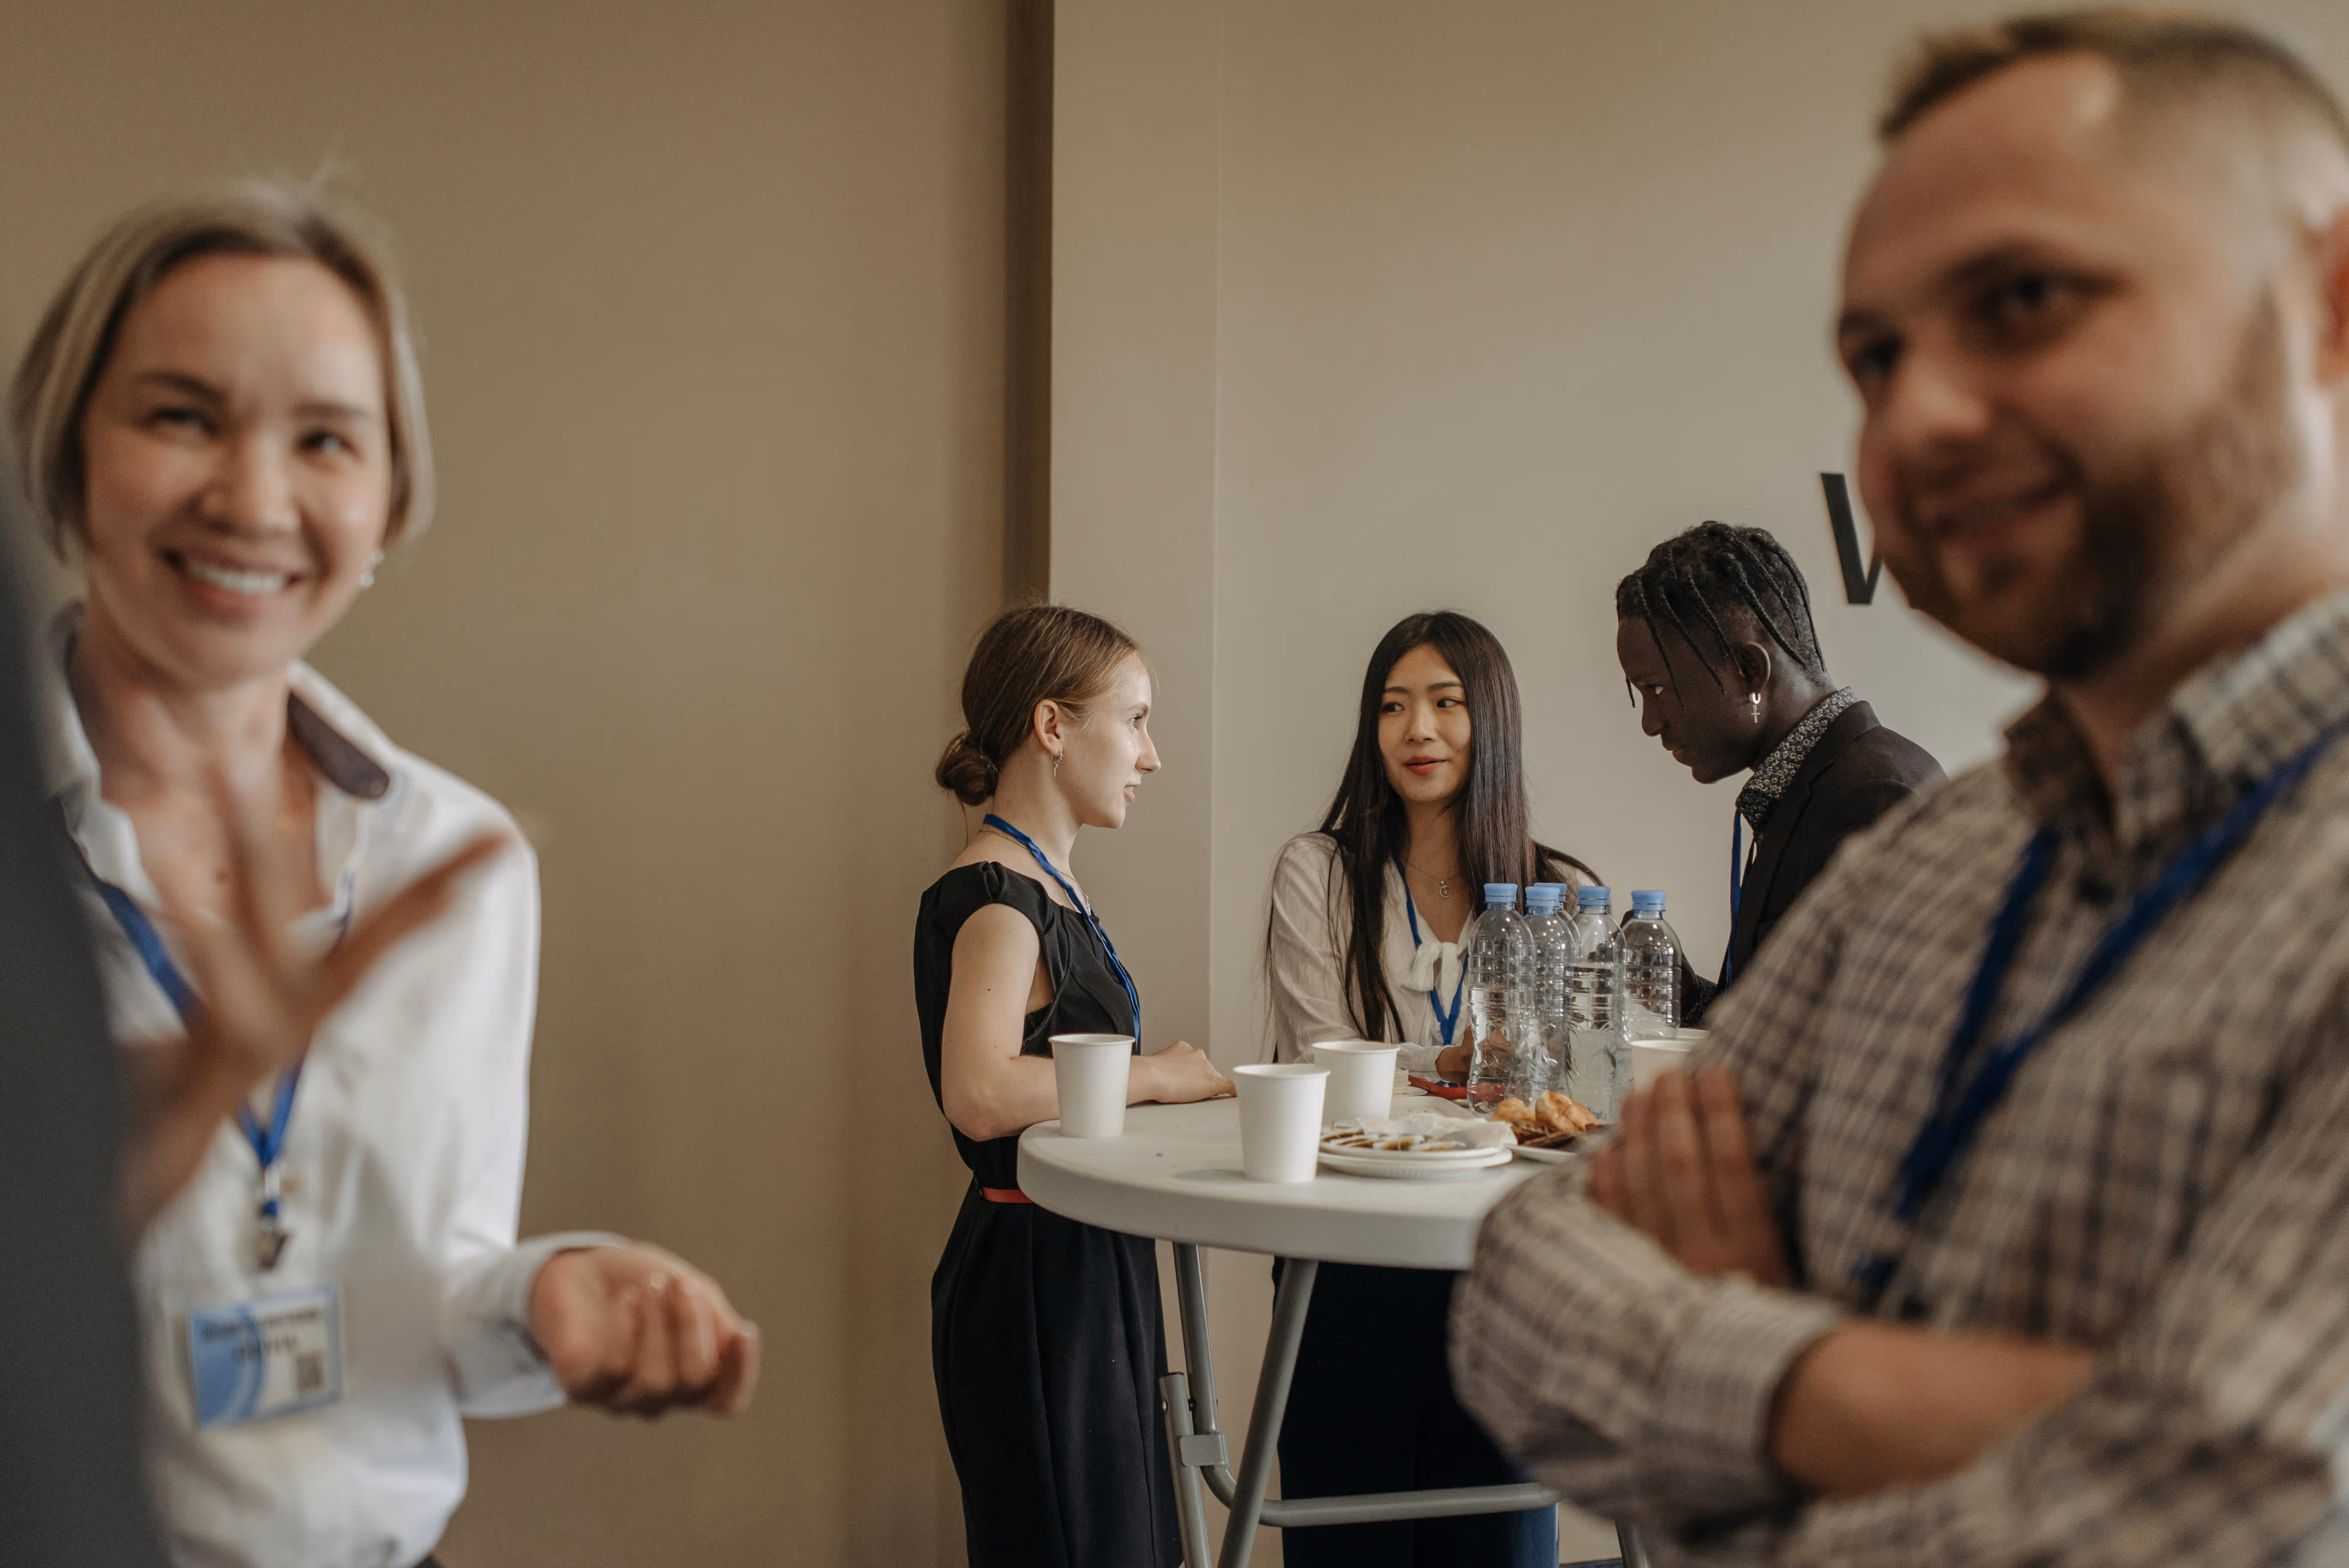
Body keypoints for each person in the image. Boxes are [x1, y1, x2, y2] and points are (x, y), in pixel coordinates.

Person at [1452, 9, 2349, 1564]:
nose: (1913, 415)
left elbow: (2234, 1500)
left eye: (2021, 299)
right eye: (1874, 357)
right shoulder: (1935, 861)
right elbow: (1520, 1286)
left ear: (2327, 308)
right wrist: (1873, 1387)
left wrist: (1722, 1376)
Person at [11, 181, 761, 1568]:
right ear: (70, 449)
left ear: (389, 496)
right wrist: (103, 1166)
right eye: (182, 415)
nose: (253, 496)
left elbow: (427, 1284)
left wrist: (544, 1295)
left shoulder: (454, 863)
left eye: (325, 440)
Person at [1262, 610, 1590, 1568]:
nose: (1419, 731)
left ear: (1490, 722)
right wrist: (1452, 1068)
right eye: (1394, 707)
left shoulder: (1561, 897)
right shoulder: (1317, 874)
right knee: (1343, 1541)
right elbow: (1325, 1060)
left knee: (1500, 1542)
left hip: (1500, 1270)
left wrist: (1413, 1068)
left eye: (1446, 704)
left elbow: (1560, 1093)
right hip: (1344, 1263)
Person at [916, 603, 1233, 1568]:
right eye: (1134, 720)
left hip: (1082, 1265)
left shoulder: (1050, 887)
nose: (1151, 755)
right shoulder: (996, 900)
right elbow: (976, 1091)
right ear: (1053, 728)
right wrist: (1162, 1078)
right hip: (1036, 1278)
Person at [1615, 522, 1942, 1021]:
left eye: (1657, 689)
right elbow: (1787, 1031)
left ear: (1749, 671)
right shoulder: (1812, 785)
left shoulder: (1875, 797)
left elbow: (1873, 1045)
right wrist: (1688, 998)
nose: (1649, 723)